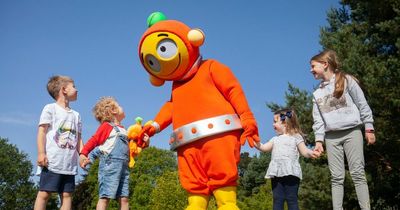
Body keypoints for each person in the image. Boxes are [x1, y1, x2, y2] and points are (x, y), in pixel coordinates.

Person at [310, 49, 376, 210]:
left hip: (352, 132)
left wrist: (369, 128)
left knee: (357, 173)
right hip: (332, 137)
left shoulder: (346, 80)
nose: (311, 70)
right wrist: (319, 141)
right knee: (336, 177)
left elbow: (362, 103)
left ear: (325, 64)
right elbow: (317, 120)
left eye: (313, 66)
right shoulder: (317, 93)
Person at [79, 96, 148, 210]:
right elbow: (94, 140)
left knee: (124, 198)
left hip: (124, 168)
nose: (122, 107)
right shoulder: (106, 127)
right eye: (118, 105)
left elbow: (133, 147)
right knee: (105, 197)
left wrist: (145, 143)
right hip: (109, 166)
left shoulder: (125, 130)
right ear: (113, 110)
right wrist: (83, 153)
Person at [34, 75, 83, 210]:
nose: (77, 89)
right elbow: (42, 132)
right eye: (73, 86)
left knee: (67, 195)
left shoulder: (76, 115)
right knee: (44, 193)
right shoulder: (50, 109)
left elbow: (78, 139)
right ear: (64, 89)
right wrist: (41, 153)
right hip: (52, 162)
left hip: (69, 165)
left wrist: (83, 155)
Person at [255, 108, 319, 210]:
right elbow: (264, 148)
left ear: (285, 123)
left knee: (291, 199)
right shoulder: (275, 139)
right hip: (276, 173)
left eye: (275, 122)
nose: (273, 125)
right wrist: (255, 141)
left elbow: (304, 151)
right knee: (277, 199)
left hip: (291, 172)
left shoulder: (296, 137)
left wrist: (311, 153)